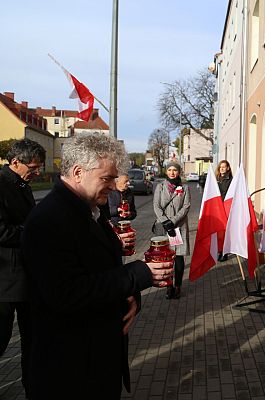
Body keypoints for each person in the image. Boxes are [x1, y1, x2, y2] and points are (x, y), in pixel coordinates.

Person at [21, 133, 173, 399]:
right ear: (78, 172)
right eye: (107, 178)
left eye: (114, 178)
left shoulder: (88, 210)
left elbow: (102, 271)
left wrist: (130, 297)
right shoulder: (50, 219)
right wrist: (139, 274)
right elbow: (65, 292)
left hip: (95, 362)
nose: (114, 187)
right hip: (69, 371)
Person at [0, 139, 45, 398]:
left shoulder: (22, 184)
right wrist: (31, 232)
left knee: (33, 338)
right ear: (15, 162)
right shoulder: (2, 184)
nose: (37, 172)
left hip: (26, 279)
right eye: (34, 167)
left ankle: (34, 387)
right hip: (5, 279)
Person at [153, 160, 191, 299]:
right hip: (163, 227)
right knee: (166, 258)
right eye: (169, 170)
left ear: (179, 172)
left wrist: (173, 221)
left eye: (175, 170)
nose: (172, 172)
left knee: (179, 258)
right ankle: (169, 286)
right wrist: (165, 221)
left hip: (178, 227)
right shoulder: (160, 187)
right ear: (166, 172)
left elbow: (186, 207)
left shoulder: (185, 187)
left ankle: (178, 286)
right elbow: (156, 206)